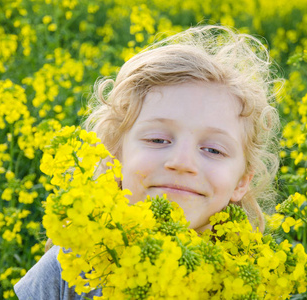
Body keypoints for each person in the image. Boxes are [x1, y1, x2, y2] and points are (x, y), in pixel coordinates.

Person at [14, 25, 280, 299]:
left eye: (213, 150)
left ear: (241, 182)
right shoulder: (71, 267)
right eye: (157, 140)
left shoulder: (249, 280)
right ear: (115, 156)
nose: (181, 162)